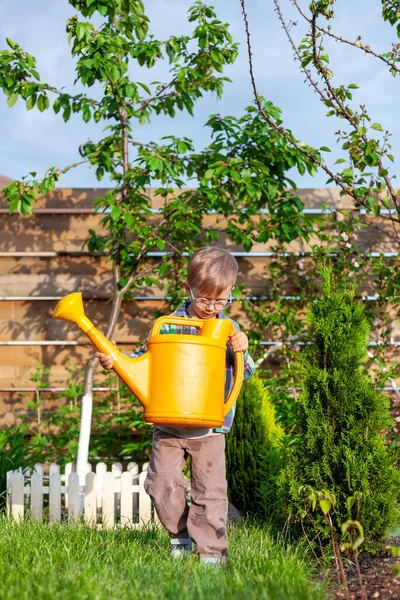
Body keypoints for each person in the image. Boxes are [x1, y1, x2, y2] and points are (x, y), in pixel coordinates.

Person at [97, 247, 255, 565]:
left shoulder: (229, 330)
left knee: (209, 490)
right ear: (188, 289)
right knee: (161, 484)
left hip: (210, 427)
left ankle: (211, 553)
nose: (211, 307)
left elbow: (245, 372)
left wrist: (242, 348)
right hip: (168, 424)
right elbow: (143, 362)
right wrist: (113, 361)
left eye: (220, 301)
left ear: (231, 294)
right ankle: (180, 538)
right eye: (204, 299)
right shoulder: (167, 326)